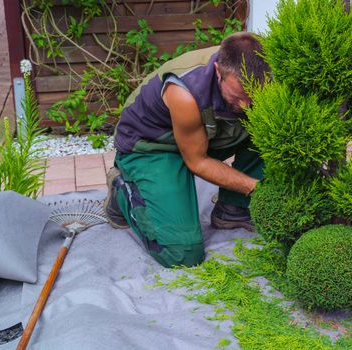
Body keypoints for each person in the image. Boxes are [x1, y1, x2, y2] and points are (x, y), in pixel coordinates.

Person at [104, 32, 270, 268]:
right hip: (153, 146)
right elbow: (197, 162)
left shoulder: (261, 70)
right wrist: (257, 189)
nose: (245, 105)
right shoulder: (184, 92)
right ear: (217, 72)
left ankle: (232, 208)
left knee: (272, 127)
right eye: (237, 96)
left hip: (203, 135)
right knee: (182, 253)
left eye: (251, 97)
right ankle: (122, 193)